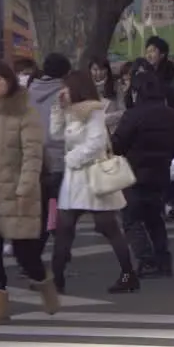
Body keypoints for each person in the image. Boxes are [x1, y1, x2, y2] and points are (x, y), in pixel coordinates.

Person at [0, 60, 57, 324]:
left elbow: (33, 157)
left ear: (9, 82)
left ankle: (45, 284)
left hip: (17, 191)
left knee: (24, 252)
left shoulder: (25, 114)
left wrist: (25, 189)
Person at [49, 70, 138, 293]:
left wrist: (72, 158)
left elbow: (96, 143)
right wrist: (58, 110)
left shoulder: (93, 111)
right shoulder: (70, 111)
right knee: (64, 229)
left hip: (94, 178)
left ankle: (128, 274)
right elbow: (56, 134)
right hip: (74, 182)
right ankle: (56, 279)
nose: (63, 91)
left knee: (109, 228)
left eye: (66, 87)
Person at [112, 66, 174, 278]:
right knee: (154, 218)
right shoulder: (170, 115)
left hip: (134, 172)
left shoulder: (133, 115)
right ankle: (163, 260)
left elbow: (118, 145)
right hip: (160, 172)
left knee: (131, 219)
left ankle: (146, 260)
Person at [27, 53, 72, 244]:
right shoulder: (66, 93)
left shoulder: (28, 92)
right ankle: (61, 258)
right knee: (61, 213)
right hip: (60, 159)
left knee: (39, 213)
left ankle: (31, 259)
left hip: (35, 160)